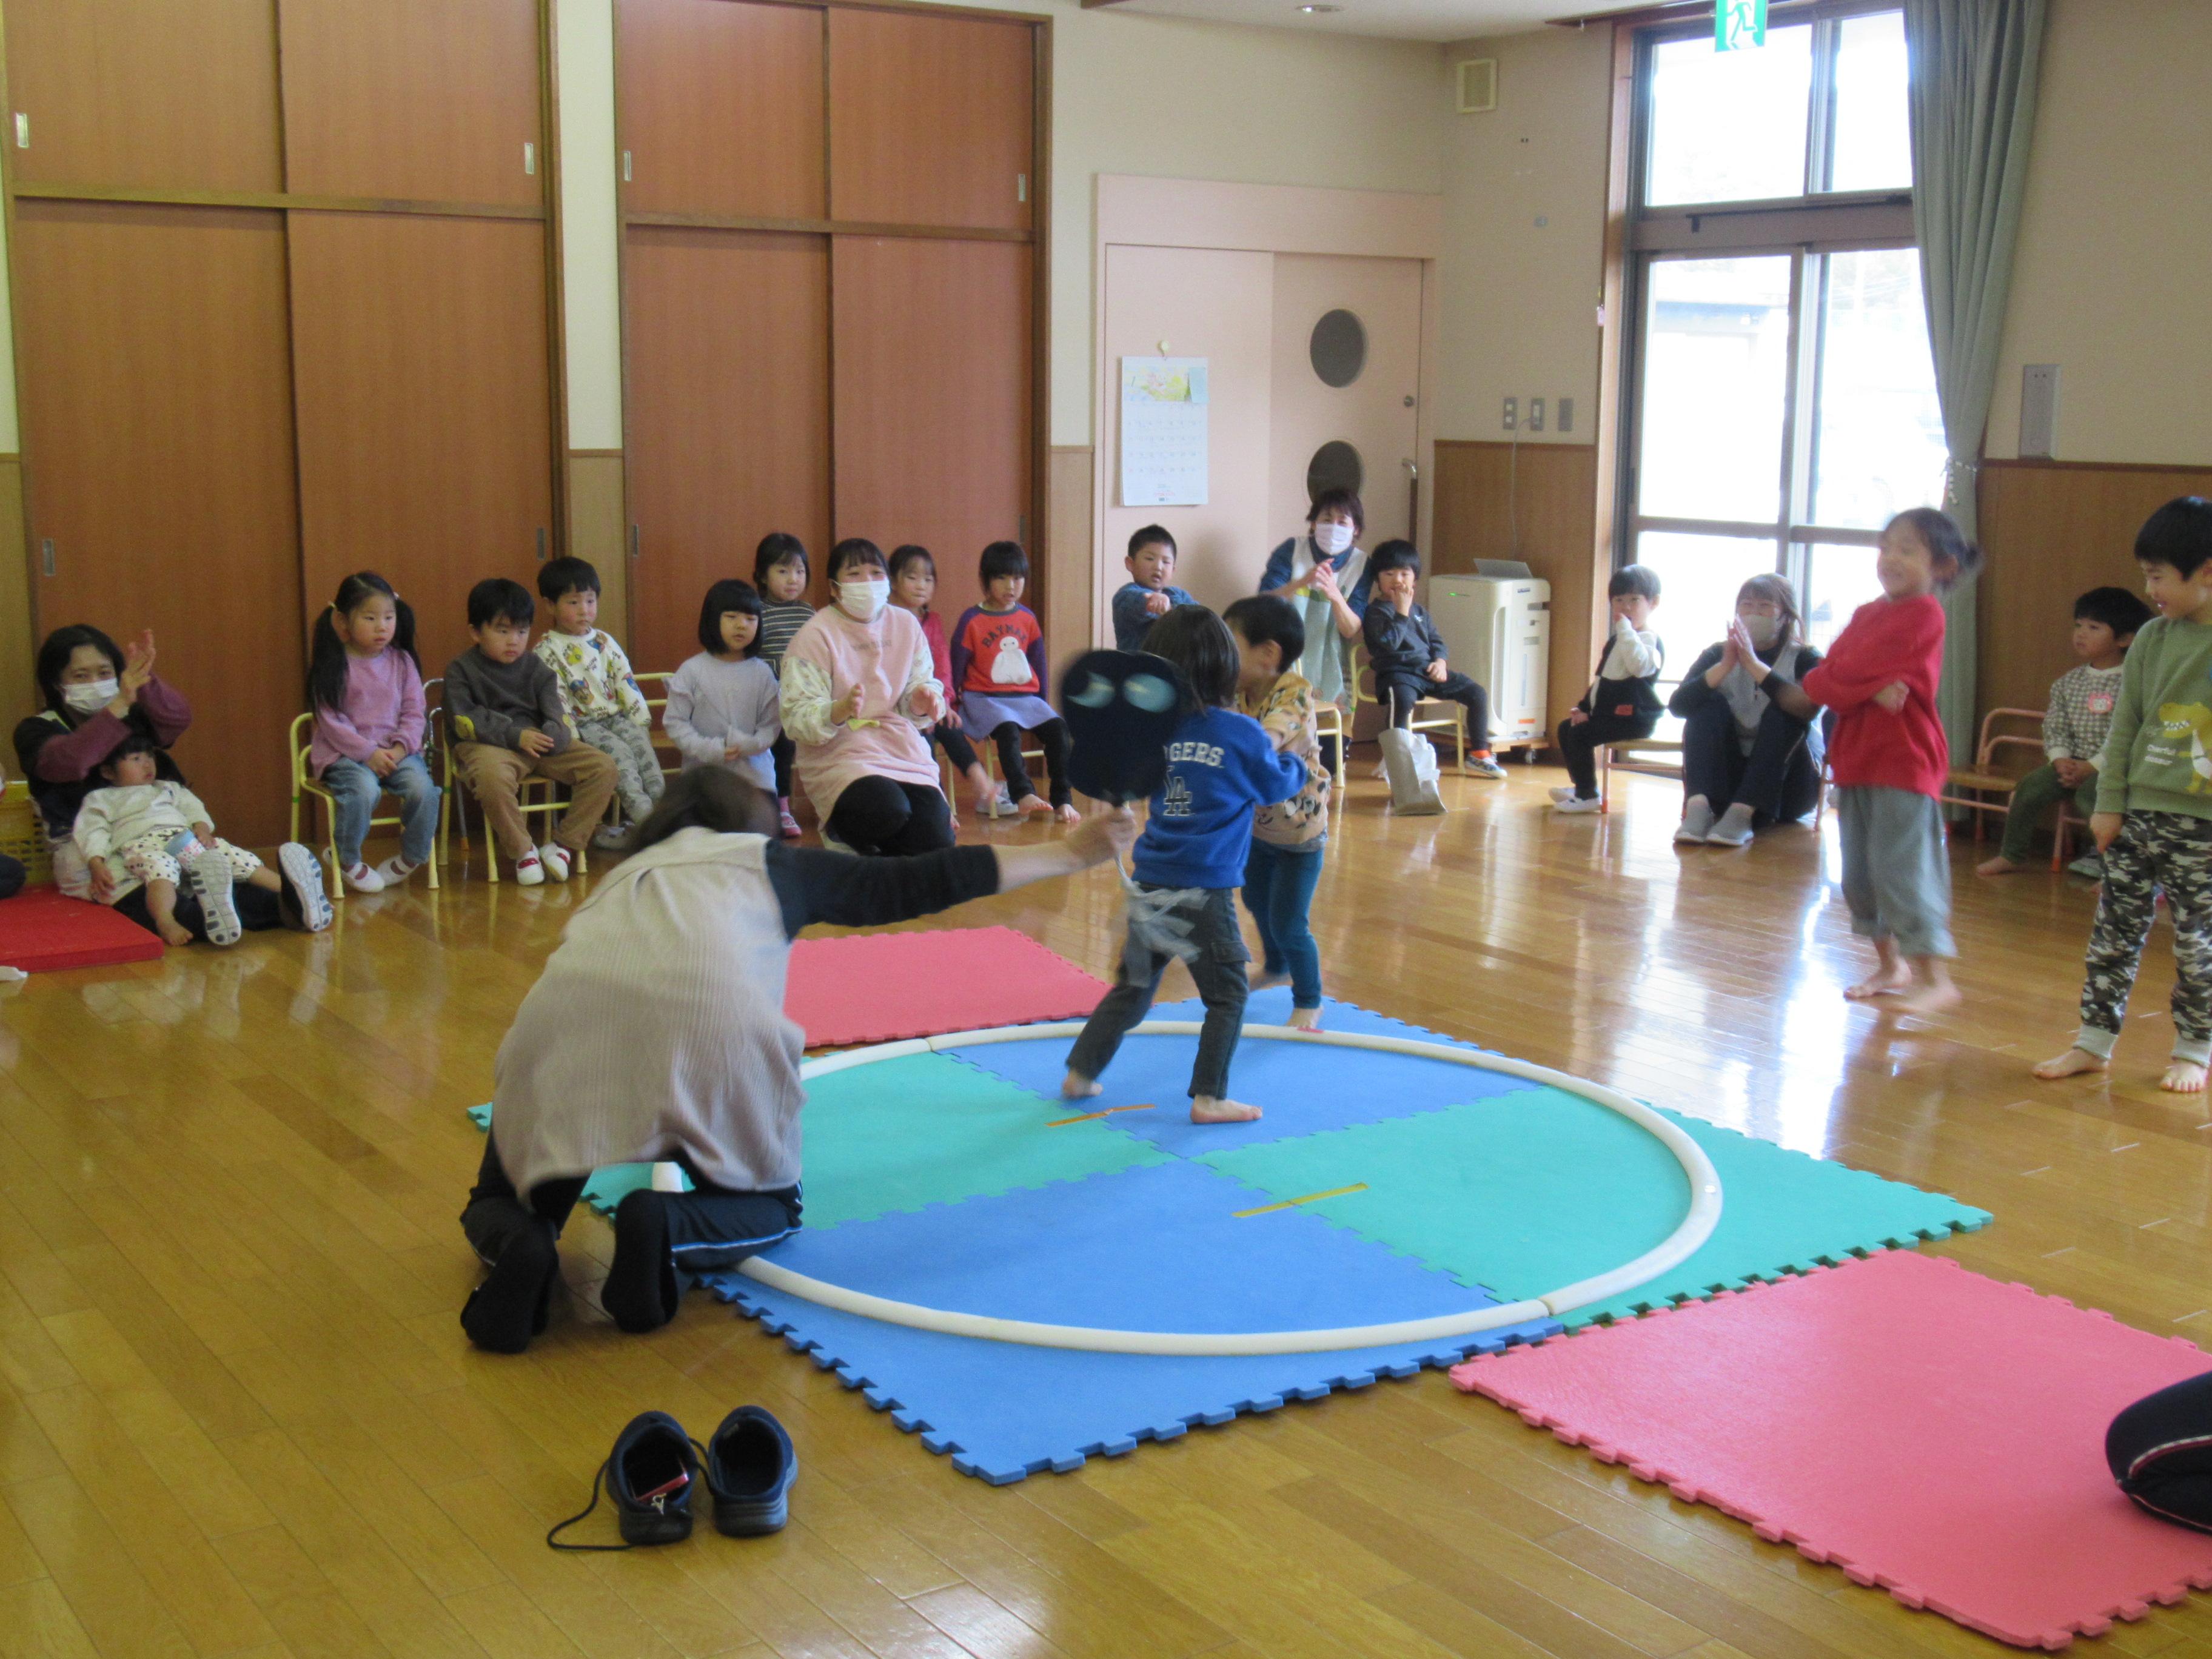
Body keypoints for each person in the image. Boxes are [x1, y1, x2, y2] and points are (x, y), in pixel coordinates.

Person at [458, 767, 1138, 1352]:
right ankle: (665, 1227)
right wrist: (1070, 853)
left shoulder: (624, 876)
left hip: (561, 1031)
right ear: (750, 824)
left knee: (508, 1193)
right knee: (770, 1206)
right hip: (714, 1039)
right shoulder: (771, 863)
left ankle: (524, 1241)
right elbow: (919, 879)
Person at [1062, 606, 1306, 1125]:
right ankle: (1209, 1097)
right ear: (1225, 667)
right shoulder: (1238, 732)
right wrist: (1298, 761)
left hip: (1151, 881)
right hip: (1205, 891)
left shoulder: (1159, 732)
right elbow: (1273, 784)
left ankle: (1081, 1071)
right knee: (1228, 994)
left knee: (1133, 988)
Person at [2034, 499, 2212, 1093]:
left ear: (2206, 572)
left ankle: (2194, 1046)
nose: (2149, 588)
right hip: (2138, 813)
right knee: (2113, 930)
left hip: (2201, 825)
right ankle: (2093, 1041)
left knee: (2195, 942)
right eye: (2146, 574)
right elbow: (2126, 727)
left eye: (2159, 575)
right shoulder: (2154, 640)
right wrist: (2110, 805)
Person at [13, 623, 329, 935]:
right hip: (94, 849)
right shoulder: (36, 730)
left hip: (162, 833)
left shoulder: (132, 714)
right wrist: (118, 704)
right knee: (164, 898)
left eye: (104, 672)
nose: (96, 683)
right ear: (56, 683)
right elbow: (69, 761)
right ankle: (226, 918)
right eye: (81, 676)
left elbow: (176, 720)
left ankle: (293, 905)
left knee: (221, 877)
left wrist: (145, 680)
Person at [1801, 508, 1979, 1015]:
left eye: (1906, 549)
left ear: (1941, 566)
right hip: (1856, 758)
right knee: (1859, 874)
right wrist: (1866, 689)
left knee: (1903, 868)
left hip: (1905, 760)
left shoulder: (1926, 613)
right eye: (1886, 547)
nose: (1890, 558)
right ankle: (1891, 966)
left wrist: (1849, 682)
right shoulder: (1865, 614)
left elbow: (1845, 672)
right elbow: (1819, 680)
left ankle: (1935, 978)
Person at [779, 538, 953, 857]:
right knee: (886, 810)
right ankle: (838, 830)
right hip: (840, 752)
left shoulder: (905, 624)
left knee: (936, 841)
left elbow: (916, 687)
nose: (868, 583)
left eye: (876, 573)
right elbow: (796, 717)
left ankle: (879, 849)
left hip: (897, 746)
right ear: (834, 587)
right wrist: (837, 710)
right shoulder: (815, 635)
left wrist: (922, 700)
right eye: (855, 574)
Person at [444, 578, 618, 886]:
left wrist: (554, 735)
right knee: (491, 778)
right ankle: (524, 851)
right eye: (502, 631)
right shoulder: (461, 669)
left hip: (539, 743)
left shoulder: (537, 668)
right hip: (488, 745)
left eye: (522, 631)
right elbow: (466, 719)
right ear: (476, 631)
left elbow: (556, 712)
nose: (514, 640)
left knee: (603, 768)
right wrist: (515, 735)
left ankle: (564, 847)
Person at [1977, 585, 2153, 877]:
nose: (2080, 633)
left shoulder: (2134, 683)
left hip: (2114, 768)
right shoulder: (2067, 683)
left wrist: (2092, 766)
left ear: (2125, 639)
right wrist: (2061, 760)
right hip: (2070, 764)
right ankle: (2012, 854)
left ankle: (2116, 867)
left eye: (2094, 627)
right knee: (2030, 788)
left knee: (2091, 796)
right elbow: (2056, 726)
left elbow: (2130, 734)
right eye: (2078, 625)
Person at [1225, 594, 1331, 1031]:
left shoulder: (1295, 692)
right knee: (1254, 899)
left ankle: (1309, 999)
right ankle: (1276, 966)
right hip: (1259, 829)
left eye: (1232, 645)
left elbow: (1280, 726)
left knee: (1290, 922)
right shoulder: (1240, 690)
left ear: (1268, 654)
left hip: (1300, 834)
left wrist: (1258, 745)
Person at [74, 733, 288, 947]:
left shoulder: (168, 788)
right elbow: (92, 831)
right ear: (108, 771)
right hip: (143, 844)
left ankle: (290, 890)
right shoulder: (100, 799)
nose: (147, 764)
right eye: (136, 759)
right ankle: (165, 919)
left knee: (225, 853)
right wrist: (96, 862)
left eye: (150, 757)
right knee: (160, 869)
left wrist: (202, 828)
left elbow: (193, 808)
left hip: (182, 838)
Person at [1667, 574, 1825, 846]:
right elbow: (1679, 706)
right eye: (1747, 605)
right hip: (1729, 781)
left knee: (1783, 711)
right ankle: (1698, 808)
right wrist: (1725, 667)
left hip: (1790, 785)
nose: (1754, 613)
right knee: (1707, 704)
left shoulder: (1806, 657)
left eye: (1764, 607)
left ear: (1785, 617)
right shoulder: (1717, 653)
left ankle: (1744, 812)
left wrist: (1753, 664)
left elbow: (1807, 709)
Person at [307, 571, 440, 893]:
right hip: (345, 756)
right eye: (370, 618)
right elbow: (331, 722)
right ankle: (347, 858)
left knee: (424, 790)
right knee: (364, 791)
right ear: (342, 622)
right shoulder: (333, 663)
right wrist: (368, 753)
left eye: (389, 617)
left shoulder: (402, 661)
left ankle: (413, 856)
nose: (382, 627)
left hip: (398, 753)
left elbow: (414, 712)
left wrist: (398, 749)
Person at [1359, 540, 1512, 783]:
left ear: (1414, 580)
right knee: (1402, 699)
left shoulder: (1420, 612)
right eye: (1389, 574)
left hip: (1427, 672)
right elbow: (1388, 645)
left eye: (1404, 573)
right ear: (1378, 580)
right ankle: (1395, 756)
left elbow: (1437, 642)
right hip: (1397, 672)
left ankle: (1480, 752)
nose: (1397, 580)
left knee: (1477, 693)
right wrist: (1401, 612)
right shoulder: (1376, 612)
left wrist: (1440, 662)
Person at [534, 556, 661, 845]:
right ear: (550, 606)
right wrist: (573, 734)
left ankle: (666, 815)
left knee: (644, 752)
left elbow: (623, 676)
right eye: (573, 602)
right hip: (585, 725)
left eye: (590, 601)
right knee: (623, 761)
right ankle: (648, 824)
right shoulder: (547, 649)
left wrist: (638, 714)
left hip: (616, 716)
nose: (584, 610)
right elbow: (557, 697)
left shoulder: (603, 640)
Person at [949, 542, 1077, 825]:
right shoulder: (971, 620)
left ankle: (1062, 799)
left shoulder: (1027, 618)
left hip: (1025, 698)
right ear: (985, 580)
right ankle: (1023, 794)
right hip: (984, 699)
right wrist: (952, 701)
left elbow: (1038, 661)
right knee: (1007, 731)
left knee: (1058, 729)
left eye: (1017, 578)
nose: (1011, 586)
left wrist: (1042, 700)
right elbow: (956, 663)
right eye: (1002, 578)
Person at [1260, 488, 1375, 771]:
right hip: (1286, 658)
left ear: (1355, 529)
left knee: (1327, 767)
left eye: (1343, 521)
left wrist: (1335, 594)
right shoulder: (1292, 549)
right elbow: (1264, 603)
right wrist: (1301, 583)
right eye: (1327, 518)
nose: (1333, 527)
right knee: (1281, 759)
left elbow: (1351, 629)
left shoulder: (1362, 564)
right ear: (1313, 522)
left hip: (1332, 665)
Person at [890, 544, 995, 817]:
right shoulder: (886, 621)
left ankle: (980, 782)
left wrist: (944, 701)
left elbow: (942, 666)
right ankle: (936, 803)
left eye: (928, 579)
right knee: (922, 735)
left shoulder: (932, 621)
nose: (921, 586)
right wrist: (916, 711)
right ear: (892, 581)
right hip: (898, 706)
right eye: (912, 578)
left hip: (930, 700)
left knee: (948, 725)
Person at [1552, 566, 1666, 814]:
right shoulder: (1619, 639)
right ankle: (1583, 786)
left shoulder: (1647, 638)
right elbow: (1603, 681)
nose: (1625, 607)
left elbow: (1639, 667)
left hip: (1633, 718)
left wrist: (1625, 631)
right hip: (1611, 714)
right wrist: (1584, 707)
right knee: (1566, 728)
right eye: (1619, 600)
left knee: (1580, 735)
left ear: (1653, 603)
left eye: (1634, 600)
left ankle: (1588, 795)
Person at [663, 579, 782, 797]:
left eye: (750, 619)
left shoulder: (763, 673)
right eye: (731, 617)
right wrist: (709, 749)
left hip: (755, 781)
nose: (742, 625)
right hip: (703, 780)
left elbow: (771, 726)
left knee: (760, 827)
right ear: (712, 620)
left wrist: (750, 745)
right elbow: (675, 722)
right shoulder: (691, 670)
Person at [754, 534, 816, 839]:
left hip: (804, 695)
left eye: (800, 571)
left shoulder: (807, 613)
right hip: (768, 698)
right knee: (776, 750)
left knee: (808, 745)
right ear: (762, 576)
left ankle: (821, 801)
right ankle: (779, 806)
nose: (793, 579)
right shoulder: (757, 611)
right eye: (783, 571)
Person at [1113, 526, 1197, 652]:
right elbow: (1135, 604)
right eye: (1150, 559)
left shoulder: (1179, 595)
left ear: (1173, 570)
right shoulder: (1125, 595)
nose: (1158, 567)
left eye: (1166, 562)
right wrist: (1150, 601)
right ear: (1130, 563)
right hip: (1137, 668)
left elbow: (1199, 618)